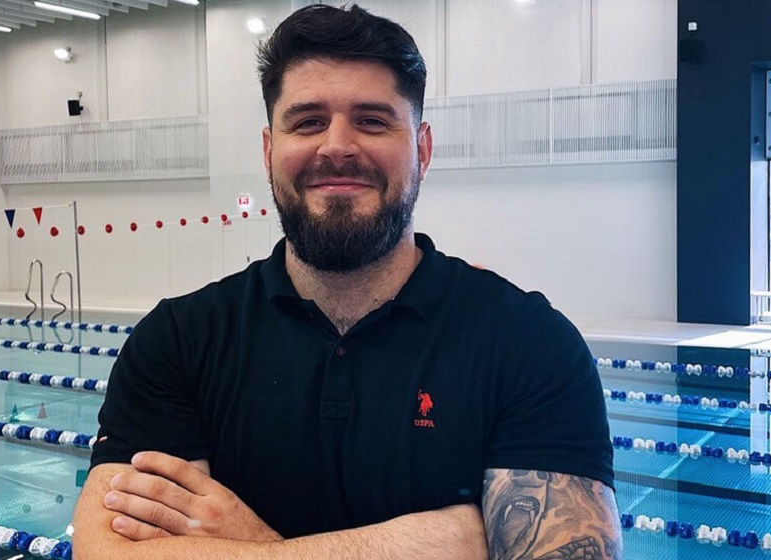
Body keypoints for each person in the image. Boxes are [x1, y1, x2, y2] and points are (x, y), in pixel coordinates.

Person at [71, 4, 622, 559]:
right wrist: (434, 543)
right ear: (268, 151)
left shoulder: (529, 344)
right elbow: (105, 553)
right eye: (308, 121)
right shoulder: (177, 342)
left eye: (372, 120)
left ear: (423, 149)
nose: (336, 146)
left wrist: (250, 546)